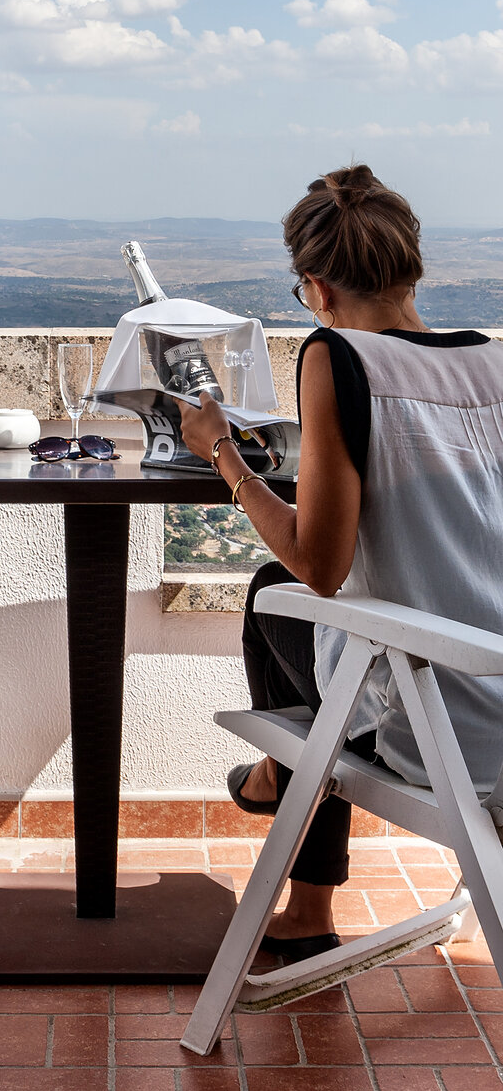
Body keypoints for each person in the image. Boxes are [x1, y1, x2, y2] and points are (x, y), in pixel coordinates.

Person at [179, 164, 503, 962]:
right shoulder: (494, 364)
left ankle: (283, 801)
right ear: (410, 263)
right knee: (297, 608)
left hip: (445, 733)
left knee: (273, 591)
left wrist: (223, 453)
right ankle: (281, 803)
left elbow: (319, 566)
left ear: (317, 289)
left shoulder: (338, 358)